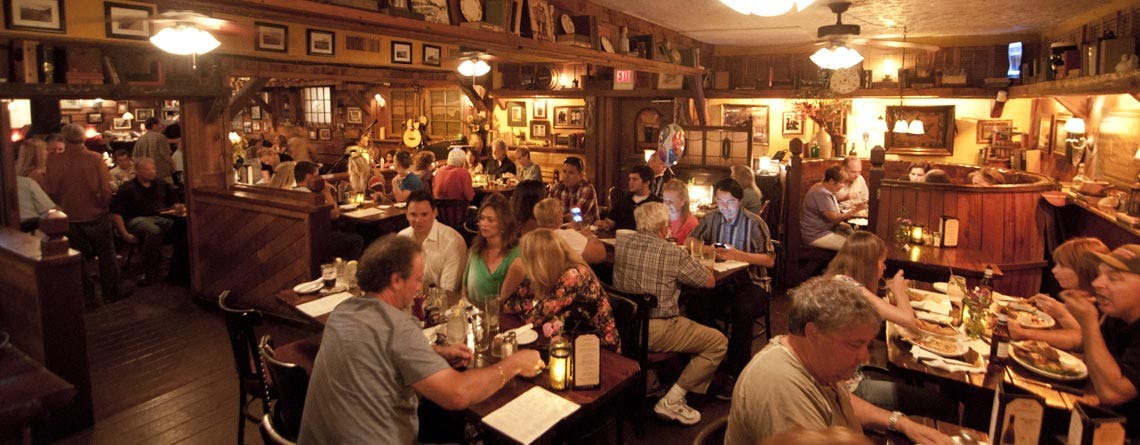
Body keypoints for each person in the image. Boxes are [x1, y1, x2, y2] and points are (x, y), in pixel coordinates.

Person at [298, 234, 544, 444]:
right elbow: (456, 395)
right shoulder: (398, 327)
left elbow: (380, 352)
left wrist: (435, 353)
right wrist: (515, 364)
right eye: (416, 279)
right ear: (395, 280)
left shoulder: (344, 311)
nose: (419, 288)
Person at [725, 276, 952, 445]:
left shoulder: (814, 362)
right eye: (855, 345)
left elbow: (844, 403)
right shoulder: (779, 386)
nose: (865, 357)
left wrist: (900, 422)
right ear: (813, 333)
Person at [614, 202, 724, 425]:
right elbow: (709, 281)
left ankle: (652, 379)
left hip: (623, 325)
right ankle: (672, 401)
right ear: (664, 227)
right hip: (654, 330)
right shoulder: (671, 252)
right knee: (718, 342)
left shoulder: (622, 242)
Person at [688, 178, 776, 379]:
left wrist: (739, 255)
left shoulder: (754, 223)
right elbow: (690, 240)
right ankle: (712, 353)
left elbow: (770, 260)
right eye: (720, 202)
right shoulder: (712, 218)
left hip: (754, 282)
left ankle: (736, 371)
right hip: (722, 279)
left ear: (740, 201)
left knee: (742, 309)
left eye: (730, 202)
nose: (725, 208)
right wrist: (711, 250)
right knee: (695, 300)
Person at [1063, 244, 1140, 437]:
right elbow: (1088, 346)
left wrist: (1089, 322)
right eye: (1100, 274)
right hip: (1102, 424)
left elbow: (1112, 393)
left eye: (1113, 278)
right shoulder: (1118, 316)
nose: (1097, 283)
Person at [44, 124, 120, 305]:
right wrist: (102, 206)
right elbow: (106, 189)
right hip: (95, 214)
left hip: (69, 216)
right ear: (83, 138)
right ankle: (111, 293)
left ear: (64, 139)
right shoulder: (95, 158)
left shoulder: (54, 161)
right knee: (106, 254)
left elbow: (51, 190)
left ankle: (88, 296)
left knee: (78, 258)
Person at [521, 228, 619, 350]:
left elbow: (533, 319)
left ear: (539, 260)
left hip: (597, 349)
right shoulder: (551, 271)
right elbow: (510, 304)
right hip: (569, 338)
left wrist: (528, 306)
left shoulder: (573, 275)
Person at [1010, 237, 1109, 350]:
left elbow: (1085, 342)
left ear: (1083, 270)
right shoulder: (1072, 294)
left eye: (1062, 265)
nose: (1054, 270)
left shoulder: (1102, 306)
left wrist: (1061, 314)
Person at [823, 231, 917, 329]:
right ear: (869, 263)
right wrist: (900, 291)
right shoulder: (847, 285)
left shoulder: (842, 278)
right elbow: (908, 320)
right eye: (882, 262)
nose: (885, 267)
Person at [110, 157, 181, 286]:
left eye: (153, 169)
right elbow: (115, 212)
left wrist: (176, 207)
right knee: (153, 231)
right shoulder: (127, 188)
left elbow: (174, 201)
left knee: (180, 225)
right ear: (137, 171)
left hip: (160, 217)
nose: (152, 172)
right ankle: (147, 270)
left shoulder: (161, 183)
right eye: (147, 170)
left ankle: (175, 267)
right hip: (134, 220)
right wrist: (124, 233)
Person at [397, 190, 467, 292]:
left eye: (424, 214)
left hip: (441, 303)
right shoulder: (402, 238)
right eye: (413, 215)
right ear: (406, 214)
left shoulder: (452, 242)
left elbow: (447, 291)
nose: (418, 220)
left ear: (434, 213)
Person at [464, 194, 525, 307]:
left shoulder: (516, 258)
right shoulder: (475, 250)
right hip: (470, 315)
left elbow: (502, 303)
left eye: (490, 220)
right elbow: (464, 288)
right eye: (482, 218)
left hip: (499, 318)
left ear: (503, 224)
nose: (484, 224)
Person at [294, 161, 364, 260]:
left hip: (301, 237)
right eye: (317, 175)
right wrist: (327, 192)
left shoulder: (292, 193)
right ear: (308, 176)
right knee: (357, 240)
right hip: (318, 238)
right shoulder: (312, 195)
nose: (320, 178)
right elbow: (335, 214)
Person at [802, 165, 865, 251]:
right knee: (854, 247)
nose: (843, 185)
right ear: (831, 181)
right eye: (841, 182)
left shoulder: (821, 188)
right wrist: (856, 210)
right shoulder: (821, 193)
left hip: (823, 231)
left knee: (854, 237)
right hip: (816, 235)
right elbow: (834, 219)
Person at [533, 198, 606, 264]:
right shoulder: (567, 236)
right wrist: (589, 235)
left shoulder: (533, 238)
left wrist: (572, 229)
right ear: (559, 214)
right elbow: (600, 255)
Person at [596, 165, 661, 232]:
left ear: (647, 183)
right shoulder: (623, 201)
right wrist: (604, 224)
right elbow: (610, 222)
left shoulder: (657, 204)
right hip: (621, 240)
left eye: (634, 179)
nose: (630, 182)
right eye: (630, 179)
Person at [548, 156, 599, 225]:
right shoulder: (558, 186)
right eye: (564, 171)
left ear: (581, 175)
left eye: (571, 173)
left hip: (586, 231)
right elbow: (547, 210)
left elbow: (576, 216)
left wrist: (556, 217)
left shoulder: (587, 188)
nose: (566, 176)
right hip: (562, 228)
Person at [132, 118, 174, 184]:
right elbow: (166, 155)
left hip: (145, 174)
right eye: (159, 124)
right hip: (161, 173)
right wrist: (173, 165)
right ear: (154, 125)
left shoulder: (140, 139)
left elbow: (135, 157)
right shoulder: (160, 137)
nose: (161, 126)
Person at [662, 179, 698, 244]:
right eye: (665, 200)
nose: (666, 205)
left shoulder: (691, 223)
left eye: (671, 201)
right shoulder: (660, 218)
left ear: (683, 201)